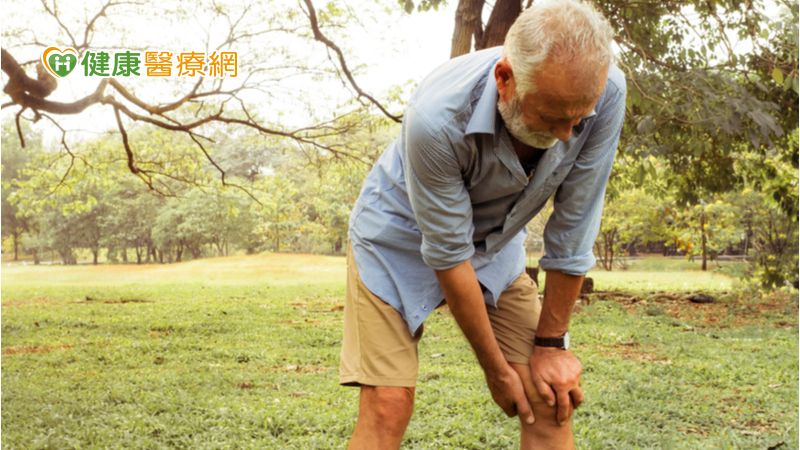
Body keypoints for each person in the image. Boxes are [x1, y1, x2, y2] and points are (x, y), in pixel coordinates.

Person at [339, 0, 625, 448]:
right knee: (388, 403)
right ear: (505, 79)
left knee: (548, 397)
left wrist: (552, 347)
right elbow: (450, 255)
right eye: (551, 117)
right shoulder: (436, 116)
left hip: (495, 241)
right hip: (394, 239)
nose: (568, 135)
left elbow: (574, 227)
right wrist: (495, 370)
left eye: (578, 119)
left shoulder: (605, 93)